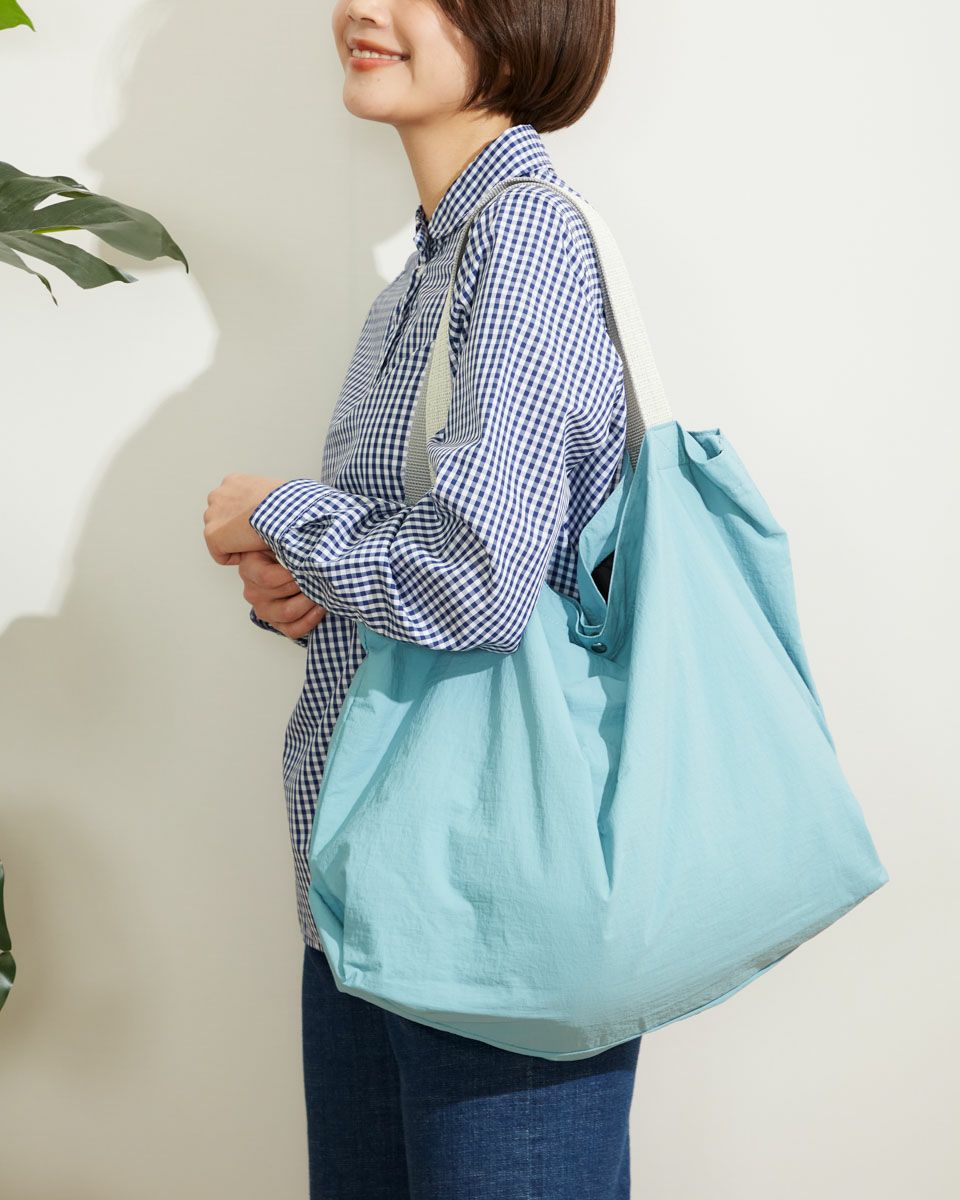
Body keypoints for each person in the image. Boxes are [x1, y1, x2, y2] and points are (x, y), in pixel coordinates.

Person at [203, 1, 641, 1195]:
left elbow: (480, 583)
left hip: (489, 923)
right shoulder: (429, 273)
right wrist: (301, 584)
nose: (364, 8)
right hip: (374, 905)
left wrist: (283, 509)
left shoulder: (526, 239)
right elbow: (454, 565)